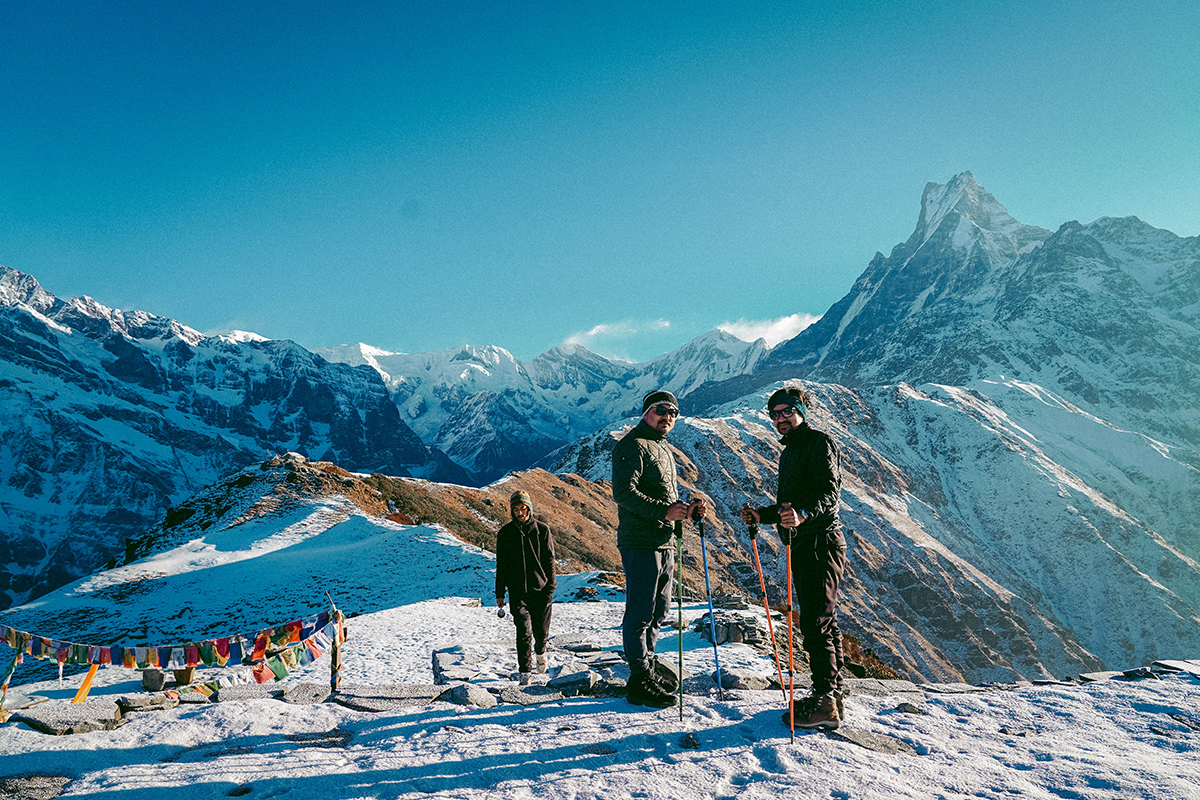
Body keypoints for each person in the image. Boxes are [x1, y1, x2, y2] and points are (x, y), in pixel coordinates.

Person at [741, 385, 848, 730]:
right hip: (807, 542)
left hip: (820, 541)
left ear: (802, 410)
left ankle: (826, 702)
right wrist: (764, 515)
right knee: (822, 620)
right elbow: (791, 506)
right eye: (774, 414)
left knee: (815, 622)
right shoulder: (791, 451)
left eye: (786, 411)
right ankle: (831, 695)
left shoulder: (818, 442)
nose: (780, 419)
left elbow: (829, 494)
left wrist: (802, 513)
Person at [612, 389, 705, 708]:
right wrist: (664, 512)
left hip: (664, 540)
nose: (667, 417)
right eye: (660, 411)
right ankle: (639, 678)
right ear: (645, 412)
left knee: (659, 610)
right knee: (640, 611)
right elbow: (624, 493)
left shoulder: (661, 447)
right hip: (641, 541)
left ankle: (648, 665)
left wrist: (687, 510)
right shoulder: (632, 445)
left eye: (673, 413)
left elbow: (662, 494)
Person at [495, 490, 556, 686]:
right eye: (516, 509)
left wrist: (550, 588)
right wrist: (499, 592)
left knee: (541, 632)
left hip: (541, 589)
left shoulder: (542, 530)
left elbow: (550, 561)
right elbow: (501, 564)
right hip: (517, 591)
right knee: (523, 632)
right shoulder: (505, 534)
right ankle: (524, 671)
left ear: (529, 508)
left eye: (523, 508)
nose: (520, 512)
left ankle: (541, 652)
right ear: (511, 510)